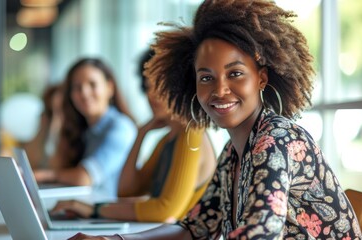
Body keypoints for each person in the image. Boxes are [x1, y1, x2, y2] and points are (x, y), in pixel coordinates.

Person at [67, 0, 362, 239]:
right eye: (206, 77)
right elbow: (196, 227)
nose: (219, 90)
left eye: (235, 73)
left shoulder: (275, 140)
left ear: (261, 77)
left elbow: (258, 234)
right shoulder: (234, 152)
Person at [50, 49, 217, 223]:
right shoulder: (166, 140)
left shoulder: (192, 133)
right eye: (147, 87)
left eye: (158, 85)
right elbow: (126, 190)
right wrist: (140, 134)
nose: (150, 95)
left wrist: (94, 210)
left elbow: (165, 210)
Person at [34, 58, 137, 198]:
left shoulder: (121, 128)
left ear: (110, 87)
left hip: (109, 213)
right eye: (77, 87)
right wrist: (57, 117)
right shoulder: (84, 130)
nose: (84, 93)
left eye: (92, 84)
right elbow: (53, 163)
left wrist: (47, 176)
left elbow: (84, 178)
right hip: (83, 209)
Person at [23, 83, 64, 169]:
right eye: (51, 110)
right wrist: (42, 129)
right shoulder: (46, 123)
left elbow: (56, 165)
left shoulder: (73, 131)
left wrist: (56, 123)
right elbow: (29, 161)